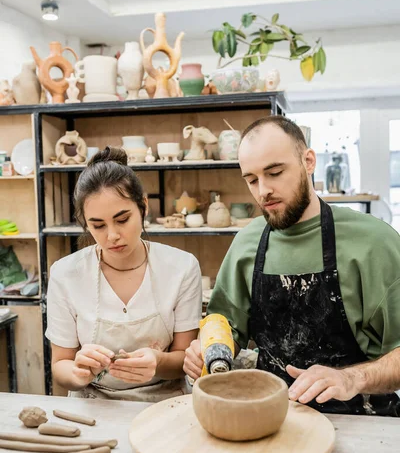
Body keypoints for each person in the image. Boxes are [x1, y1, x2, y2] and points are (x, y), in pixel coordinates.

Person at [184, 115, 400, 416]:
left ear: (308, 161)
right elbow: (225, 325)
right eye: (251, 179)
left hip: (363, 421)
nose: (263, 191)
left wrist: (352, 377)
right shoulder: (246, 244)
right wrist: (207, 350)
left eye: (274, 173)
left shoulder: (375, 243)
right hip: (272, 415)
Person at [46, 147, 202, 402]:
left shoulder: (182, 268)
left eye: (122, 219)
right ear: (85, 223)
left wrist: (158, 361)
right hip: (92, 402)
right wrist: (78, 372)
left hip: (163, 402)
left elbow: (184, 357)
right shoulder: (65, 274)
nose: (112, 235)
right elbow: (60, 365)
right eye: (98, 225)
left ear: (143, 206)